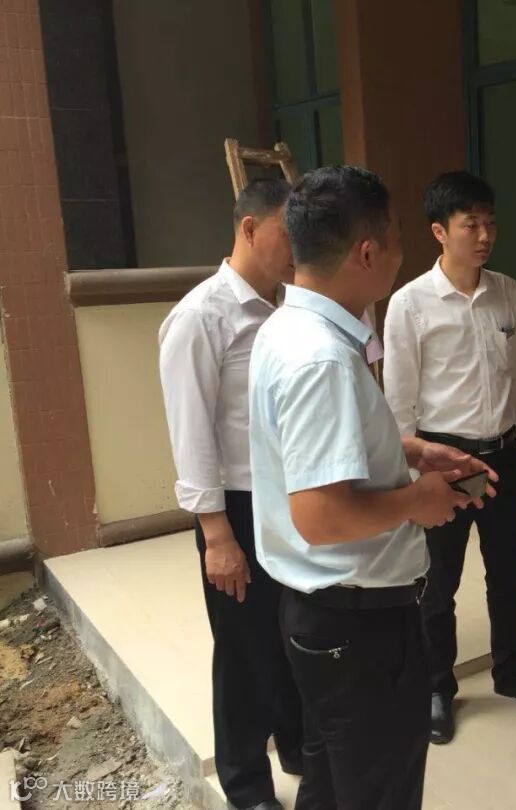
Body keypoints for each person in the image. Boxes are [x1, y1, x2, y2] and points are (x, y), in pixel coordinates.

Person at [248, 165, 496, 810]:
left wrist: (407, 450)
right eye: (396, 238)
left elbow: (312, 452)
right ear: (366, 252)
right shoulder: (321, 359)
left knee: (332, 778)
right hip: (356, 625)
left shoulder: (287, 328)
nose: (399, 253)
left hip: (324, 615)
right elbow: (322, 516)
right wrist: (418, 500)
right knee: (378, 787)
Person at [383, 171, 516, 744]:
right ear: (440, 231)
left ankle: (511, 670)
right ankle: (438, 687)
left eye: (490, 223)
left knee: (507, 574)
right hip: (444, 461)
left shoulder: (506, 290)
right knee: (439, 583)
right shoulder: (410, 303)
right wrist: (410, 474)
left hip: (503, 454)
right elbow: (398, 397)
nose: (485, 235)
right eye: (471, 225)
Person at [158, 178, 302, 810]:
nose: (298, 247)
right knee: (245, 649)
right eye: (288, 233)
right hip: (237, 508)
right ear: (249, 228)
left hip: (294, 498)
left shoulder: (291, 306)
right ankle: (246, 783)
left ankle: (298, 745)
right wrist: (216, 535)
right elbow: (190, 434)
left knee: (298, 630)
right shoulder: (201, 317)